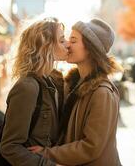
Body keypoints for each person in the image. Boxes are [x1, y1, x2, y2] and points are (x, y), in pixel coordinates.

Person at [29, 18, 123, 166]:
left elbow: (90, 147)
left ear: (90, 49)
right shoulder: (73, 84)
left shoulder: (102, 93)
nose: (67, 44)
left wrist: (47, 153)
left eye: (73, 40)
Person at [0, 18, 68, 165]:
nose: (67, 44)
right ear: (46, 46)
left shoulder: (52, 82)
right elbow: (9, 146)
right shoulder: (27, 87)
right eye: (62, 41)